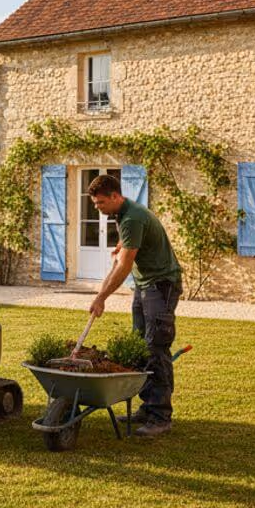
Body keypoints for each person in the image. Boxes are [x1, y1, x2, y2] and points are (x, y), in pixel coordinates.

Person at [86, 173, 183, 437]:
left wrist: (101, 297)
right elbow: (123, 259)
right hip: (145, 285)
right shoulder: (123, 214)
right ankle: (147, 407)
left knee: (156, 347)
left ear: (115, 196)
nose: (98, 208)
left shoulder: (132, 218)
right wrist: (100, 294)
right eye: (95, 204)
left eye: (101, 203)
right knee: (141, 345)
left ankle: (161, 416)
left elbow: (125, 265)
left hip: (161, 285)